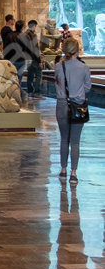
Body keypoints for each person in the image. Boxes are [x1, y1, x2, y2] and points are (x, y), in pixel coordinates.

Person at [55, 37, 90, 183]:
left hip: (62, 104)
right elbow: (88, 87)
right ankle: (73, 173)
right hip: (78, 105)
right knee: (75, 141)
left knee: (64, 139)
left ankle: (63, 170)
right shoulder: (84, 67)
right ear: (77, 50)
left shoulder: (58, 66)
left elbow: (57, 83)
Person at [23, 20, 43, 99]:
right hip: (34, 58)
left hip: (27, 58)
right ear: (34, 26)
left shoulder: (24, 35)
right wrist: (39, 61)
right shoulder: (33, 36)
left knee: (30, 75)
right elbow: (36, 49)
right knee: (38, 74)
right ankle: (36, 92)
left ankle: (30, 91)